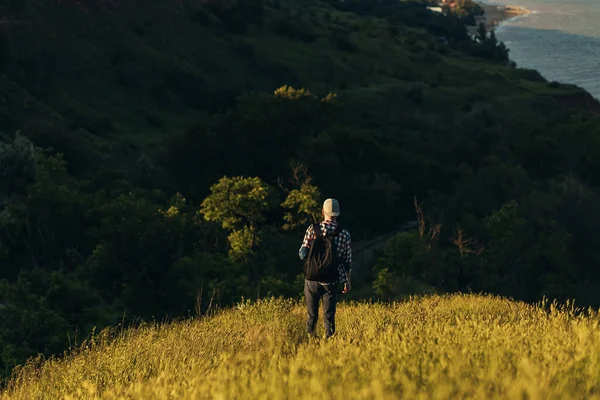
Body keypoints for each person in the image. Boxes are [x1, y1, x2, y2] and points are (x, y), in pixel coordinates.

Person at [299, 198, 352, 338]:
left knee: (312, 316)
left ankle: (311, 342)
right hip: (331, 280)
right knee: (329, 317)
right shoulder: (344, 234)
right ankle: (329, 344)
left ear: (323, 212)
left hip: (312, 280)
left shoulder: (312, 229)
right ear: (337, 213)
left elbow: (302, 254)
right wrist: (347, 281)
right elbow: (347, 261)